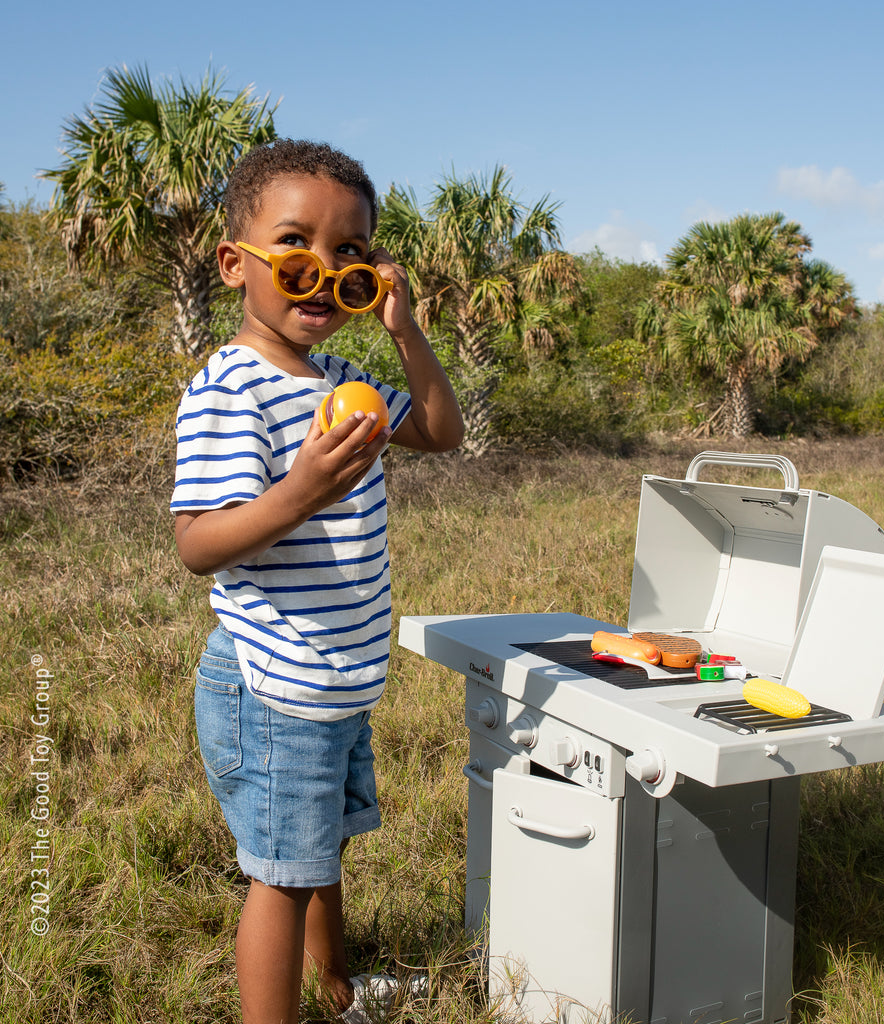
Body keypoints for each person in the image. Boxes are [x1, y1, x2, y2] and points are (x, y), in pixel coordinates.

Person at [171, 139, 464, 1024]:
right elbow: (199, 543)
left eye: (350, 261)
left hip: (332, 681)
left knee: (319, 853)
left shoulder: (343, 380)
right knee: (280, 880)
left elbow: (442, 433)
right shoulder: (234, 388)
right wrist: (299, 492)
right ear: (236, 263)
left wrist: (405, 330)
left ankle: (338, 991)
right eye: (297, 251)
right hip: (274, 685)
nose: (321, 278)